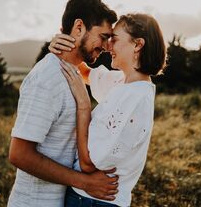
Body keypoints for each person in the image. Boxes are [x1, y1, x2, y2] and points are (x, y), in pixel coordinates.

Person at [7, 0, 119, 207]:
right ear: (79, 28)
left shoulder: (72, 73)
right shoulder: (47, 78)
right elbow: (19, 154)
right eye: (103, 36)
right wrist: (85, 182)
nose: (106, 46)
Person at [50, 13, 167, 206]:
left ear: (137, 45)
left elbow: (89, 164)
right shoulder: (122, 82)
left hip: (94, 202)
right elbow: (86, 73)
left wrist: (84, 106)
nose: (108, 46)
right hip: (88, 199)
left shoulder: (135, 97)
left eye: (114, 39)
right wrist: (62, 43)